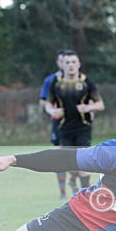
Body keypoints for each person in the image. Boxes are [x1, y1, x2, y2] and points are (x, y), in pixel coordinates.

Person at [43, 50, 105, 198]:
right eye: (67, 62)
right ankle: (73, 181)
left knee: (83, 161)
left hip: (83, 127)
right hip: (64, 128)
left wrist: (88, 108)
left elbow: (100, 105)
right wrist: (52, 111)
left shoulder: (86, 83)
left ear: (78, 64)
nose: (70, 65)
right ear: (62, 65)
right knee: (69, 163)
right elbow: (48, 104)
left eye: (73, 62)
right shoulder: (55, 83)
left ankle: (85, 196)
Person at [40, 50, 67, 195]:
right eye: (63, 61)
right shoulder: (50, 81)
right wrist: (52, 111)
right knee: (59, 154)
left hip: (78, 125)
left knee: (78, 155)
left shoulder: (82, 81)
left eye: (69, 61)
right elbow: (44, 101)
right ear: (58, 62)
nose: (66, 64)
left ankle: (76, 185)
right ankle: (62, 191)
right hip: (59, 123)